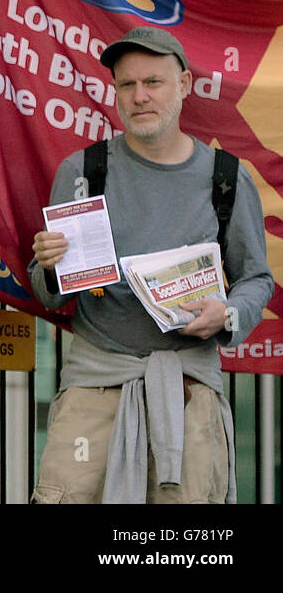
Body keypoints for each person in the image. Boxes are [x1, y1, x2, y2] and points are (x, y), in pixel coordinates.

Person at [28, 26, 273, 504]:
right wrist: (50, 266)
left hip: (188, 390)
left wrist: (227, 315)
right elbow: (52, 294)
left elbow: (256, 279)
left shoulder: (227, 178)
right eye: (127, 85)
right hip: (94, 385)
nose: (140, 97)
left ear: (183, 84)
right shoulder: (84, 171)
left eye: (153, 83)